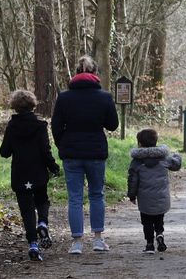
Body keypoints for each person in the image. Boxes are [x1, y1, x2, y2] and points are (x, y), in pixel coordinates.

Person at [52, 56, 119, 255]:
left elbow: (56, 126)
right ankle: (98, 239)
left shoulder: (64, 97)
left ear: (75, 73)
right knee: (97, 194)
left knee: (74, 197)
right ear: (95, 73)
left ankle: (77, 242)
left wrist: (62, 144)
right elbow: (113, 125)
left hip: (71, 152)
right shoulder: (104, 97)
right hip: (96, 151)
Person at [0, 89, 61, 261]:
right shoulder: (40, 126)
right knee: (42, 200)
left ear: (15, 106)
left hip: (20, 173)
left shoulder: (12, 126)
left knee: (26, 210)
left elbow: (4, 152)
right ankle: (42, 222)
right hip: (38, 172)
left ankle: (33, 244)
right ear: (33, 105)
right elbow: (45, 150)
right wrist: (53, 166)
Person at [127, 128, 182, 254]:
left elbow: (133, 180)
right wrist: (177, 155)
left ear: (139, 143)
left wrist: (131, 195)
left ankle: (149, 244)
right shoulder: (164, 158)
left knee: (146, 221)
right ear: (156, 142)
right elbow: (176, 165)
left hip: (145, 199)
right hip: (161, 197)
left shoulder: (136, 162)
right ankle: (160, 234)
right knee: (159, 218)